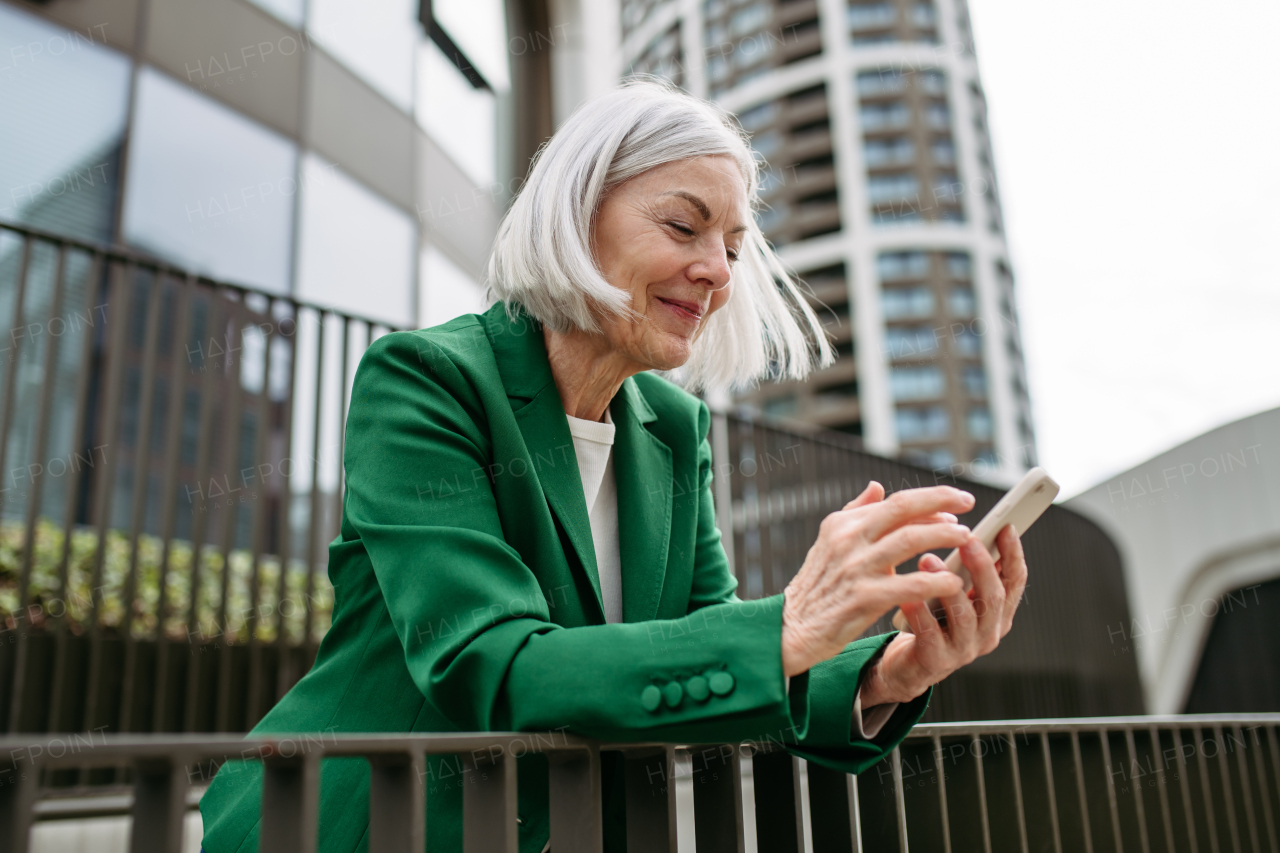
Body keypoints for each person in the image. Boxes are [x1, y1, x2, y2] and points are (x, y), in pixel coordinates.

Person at [199, 79, 1028, 853]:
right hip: (353, 827)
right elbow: (492, 662)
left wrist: (887, 670)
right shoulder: (427, 379)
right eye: (684, 226)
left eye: (734, 246)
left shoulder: (672, 427)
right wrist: (786, 626)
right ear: (577, 212)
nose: (718, 271)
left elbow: (703, 651)